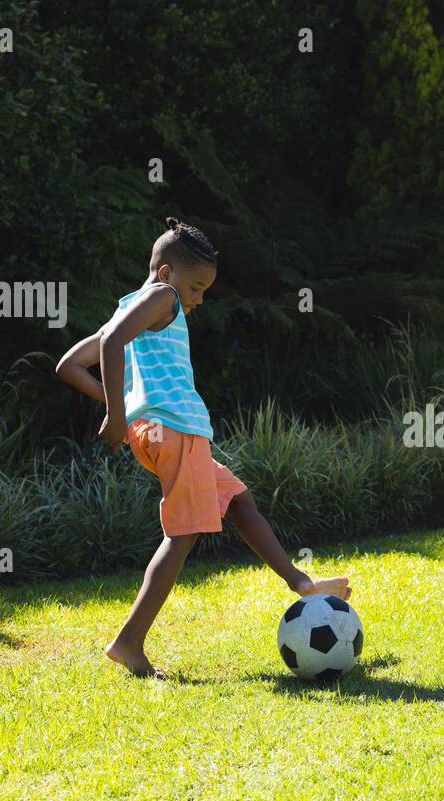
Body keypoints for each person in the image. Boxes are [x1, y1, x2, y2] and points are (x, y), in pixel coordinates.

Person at [56, 217, 350, 678]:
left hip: (164, 433)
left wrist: (127, 409)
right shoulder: (161, 297)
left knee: (237, 499)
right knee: (182, 535)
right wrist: (116, 413)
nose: (196, 300)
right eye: (196, 287)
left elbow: (70, 365)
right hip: (177, 431)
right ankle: (129, 641)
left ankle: (301, 582)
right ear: (168, 273)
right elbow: (111, 343)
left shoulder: (130, 309)